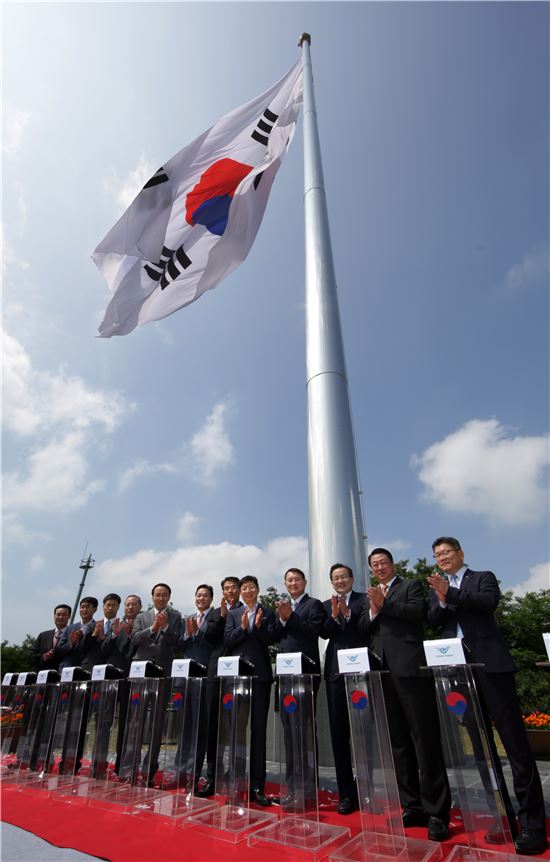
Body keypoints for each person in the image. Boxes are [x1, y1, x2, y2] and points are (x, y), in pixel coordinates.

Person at [427, 537, 548, 856]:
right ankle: (502, 817)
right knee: (481, 749)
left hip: (490, 669)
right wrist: (440, 600)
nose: (442, 558)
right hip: (457, 675)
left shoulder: (482, 577)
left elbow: (486, 603)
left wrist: (448, 593)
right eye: (437, 555)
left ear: (461, 553)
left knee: (514, 745)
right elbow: (433, 620)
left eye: (446, 553)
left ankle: (533, 823)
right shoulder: (437, 589)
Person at [358, 548, 451, 842]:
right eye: (374, 565)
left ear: (392, 564)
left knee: (424, 739)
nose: (379, 567)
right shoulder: (369, 594)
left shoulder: (409, 586)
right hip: (381, 673)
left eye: (383, 562)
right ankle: (412, 805)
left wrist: (384, 605)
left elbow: (418, 614)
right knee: (398, 741)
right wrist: (373, 610)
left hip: (410, 669)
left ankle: (437, 811)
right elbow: (363, 628)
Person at [273, 567, 325, 807]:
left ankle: (307, 787)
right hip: (285, 677)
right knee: (288, 730)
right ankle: (292, 785)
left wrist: (290, 617)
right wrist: (282, 618)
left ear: (305, 581)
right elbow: (275, 635)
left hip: (305, 676)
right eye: (289, 580)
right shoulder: (282, 607)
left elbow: (315, 631)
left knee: (303, 730)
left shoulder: (314, 605)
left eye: (297, 579)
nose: (293, 583)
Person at [224, 575, 276, 806]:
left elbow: (273, 637)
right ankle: (235, 783)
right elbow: (227, 641)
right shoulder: (234, 613)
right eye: (244, 588)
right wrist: (244, 628)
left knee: (259, 731)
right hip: (238, 677)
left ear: (257, 590)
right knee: (237, 730)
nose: (247, 591)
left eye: (251, 587)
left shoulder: (268, 611)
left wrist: (258, 627)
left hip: (261, 676)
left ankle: (257, 785)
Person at [321, 563, 364, 815]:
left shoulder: (364, 600)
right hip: (336, 673)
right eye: (335, 578)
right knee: (339, 735)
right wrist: (336, 616)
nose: (340, 581)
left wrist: (349, 614)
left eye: (343, 577)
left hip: (361, 673)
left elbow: (367, 628)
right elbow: (324, 632)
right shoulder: (327, 605)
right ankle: (346, 792)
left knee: (364, 733)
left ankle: (368, 789)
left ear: (351, 578)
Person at [129, 583, 182, 785]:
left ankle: (149, 769)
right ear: (152, 597)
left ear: (169, 597)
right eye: (158, 594)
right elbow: (134, 639)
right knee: (136, 721)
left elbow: (177, 641)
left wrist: (165, 626)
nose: (161, 598)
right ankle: (131, 767)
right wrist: (153, 627)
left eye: (165, 595)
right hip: (141, 673)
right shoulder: (142, 617)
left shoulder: (176, 616)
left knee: (158, 721)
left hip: (162, 672)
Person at [196, 576, 242, 798]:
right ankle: (213, 776)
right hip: (216, 672)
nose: (230, 591)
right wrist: (223, 617)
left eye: (234, 587)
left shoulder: (247, 609)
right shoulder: (215, 613)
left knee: (237, 726)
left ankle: (237, 776)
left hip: (240, 673)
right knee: (213, 724)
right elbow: (208, 637)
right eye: (226, 588)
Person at [176, 584, 216, 784]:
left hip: (204, 677)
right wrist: (188, 633)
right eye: (198, 595)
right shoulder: (188, 618)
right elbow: (180, 645)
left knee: (199, 726)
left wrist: (198, 632)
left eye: (205, 595)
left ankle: (194, 772)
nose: (201, 598)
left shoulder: (215, 617)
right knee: (184, 726)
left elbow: (213, 643)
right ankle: (180, 771)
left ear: (211, 598)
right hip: (185, 678)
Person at [81, 593, 122, 671]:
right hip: (90, 666)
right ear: (103, 607)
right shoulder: (93, 625)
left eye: (114, 605)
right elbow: (83, 647)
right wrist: (94, 634)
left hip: (110, 667)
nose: (110, 608)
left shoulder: (121, 626)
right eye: (108, 605)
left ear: (118, 607)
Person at [59, 597, 99, 669]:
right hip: (67, 668)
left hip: (88, 668)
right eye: (82, 607)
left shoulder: (98, 627)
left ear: (95, 609)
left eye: (88, 607)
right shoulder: (69, 628)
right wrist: (71, 643)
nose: (84, 610)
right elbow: (59, 650)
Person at [31, 604, 72, 672]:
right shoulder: (43, 636)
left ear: (69, 617)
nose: (61, 617)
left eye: (64, 615)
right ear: (54, 616)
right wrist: (44, 657)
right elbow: (32, 656)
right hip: (43, 676)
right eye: (58, 614)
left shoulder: (73, 635)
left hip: (64, 675)